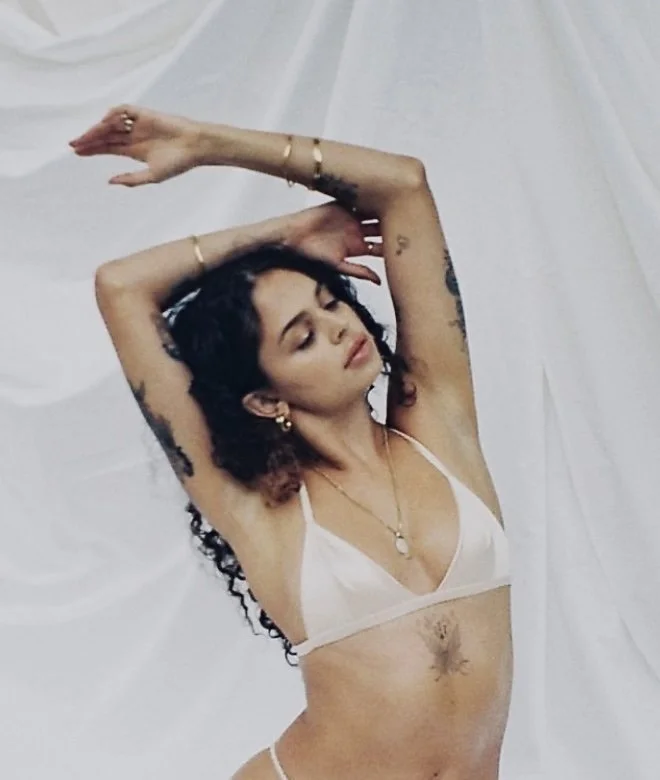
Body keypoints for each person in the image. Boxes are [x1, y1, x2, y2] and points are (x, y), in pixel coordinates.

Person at [71, 104, 513, 779]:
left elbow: (403, 184)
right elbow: (122, 287)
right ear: (265, 398)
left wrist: (207, 141)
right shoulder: (258, 504)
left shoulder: (437, 424)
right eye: (301, 336)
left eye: (330, 302)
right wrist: (287, 233)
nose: (337, 327)